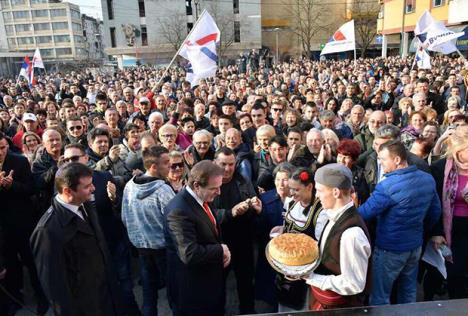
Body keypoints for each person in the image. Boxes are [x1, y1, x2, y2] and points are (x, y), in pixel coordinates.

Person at [30, 162, 123, 316]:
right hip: (84, 306)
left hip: (105, 295)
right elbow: (54, 287)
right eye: (87, 187)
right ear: (67, 191)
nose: (93, 189)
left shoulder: (85, 204)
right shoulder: (46, 231)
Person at [358, 140, 441, 305]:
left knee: (381, 296)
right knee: (408, 291)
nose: (380, 163)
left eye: (383, 159)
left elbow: (364, 213)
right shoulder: (427, 179)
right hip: (415, 245)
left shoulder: (387, 186)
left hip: (390, 248)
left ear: (397, 160)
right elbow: (435, 212)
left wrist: (352, 207)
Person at [62, 144, 140, 316]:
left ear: (86, 158)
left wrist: (113, 199)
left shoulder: (104, 177)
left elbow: (121, 208)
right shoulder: (62, 185)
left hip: (112, 240)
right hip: (88, 250)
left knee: (124, 283)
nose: (70, 162)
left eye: (74, 158)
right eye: (66, 159)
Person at [164, 160, 249, 315]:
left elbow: (211, 225)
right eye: (214, 188)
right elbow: (189, 253)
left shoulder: (200, 199)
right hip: (193, 294)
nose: (219, 192)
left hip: (209, 283)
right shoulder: (178, 211)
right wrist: (221, 249)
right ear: (197, 185)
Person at [304, 163, 371, 310]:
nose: (316, 195)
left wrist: (312, 278)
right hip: (324, 303)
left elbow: (354, 284)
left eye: (319, 190)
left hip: (341, 308)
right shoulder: (333, 215)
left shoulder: (351, 234)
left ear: (335, 192)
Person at [122, 146, 175, 316]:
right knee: (175, 293)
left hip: (141, 248)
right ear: (153, 166)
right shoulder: (163, 190)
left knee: (148, 294)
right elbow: (175, 223)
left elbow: (125, 216)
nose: (171, 166)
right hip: (164, 250)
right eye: (166, 163)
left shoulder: (130, 185)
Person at [0, 131, 48, 315]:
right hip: (3, 227)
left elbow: (31, 189)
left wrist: (12, 186)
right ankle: (15, 298)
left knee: (32, 261)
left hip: (23, 222)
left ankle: (42, 297)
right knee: (10, 264)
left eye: (3, 148)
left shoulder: (19, 161)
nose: (0, 152)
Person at [211, 147, 261, 314]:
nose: (227, 169)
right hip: (219, 242)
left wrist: (255, 207)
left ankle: (248, 311)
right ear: (214, 163)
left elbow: (253, 205)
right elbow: (205, 214)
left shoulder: (243, 180)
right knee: (217, 285)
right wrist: (230, 213)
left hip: (243, 241)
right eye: (223, 164)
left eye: (231, 164)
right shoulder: (209, 183)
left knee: (246, 282)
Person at [274, 168, 324, 312]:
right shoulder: (290, 202)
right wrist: (281, 230)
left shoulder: (320, 212)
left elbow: (320, 246)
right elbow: (287, 226)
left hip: (304, 271)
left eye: (296, 189)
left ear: (309, 187)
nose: (291, 193)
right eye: (290, 189)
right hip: (284, 265)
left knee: (299, 306)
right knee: (283, 302)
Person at [430, 125, 468, 299]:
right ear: (458, 149)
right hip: (451, 228)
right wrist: (436, 232)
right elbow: (434, 202)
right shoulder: (441, 167)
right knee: (456, 272)